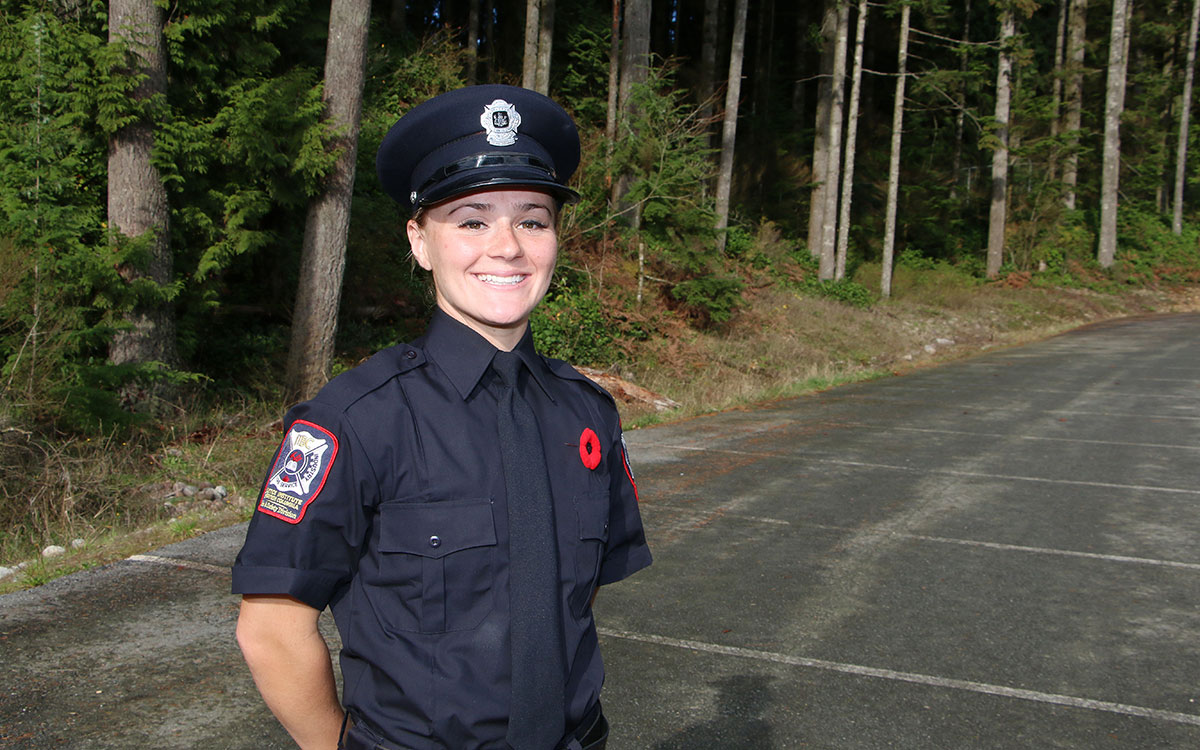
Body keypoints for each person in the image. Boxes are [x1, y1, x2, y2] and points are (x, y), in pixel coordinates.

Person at [232, 84, 652, 750]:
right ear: (420, 241)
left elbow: (570, 600)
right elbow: (271, 628)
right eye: (472, 220)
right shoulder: (357, 419)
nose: (508, 246)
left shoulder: (587, 414)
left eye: (533, 219)